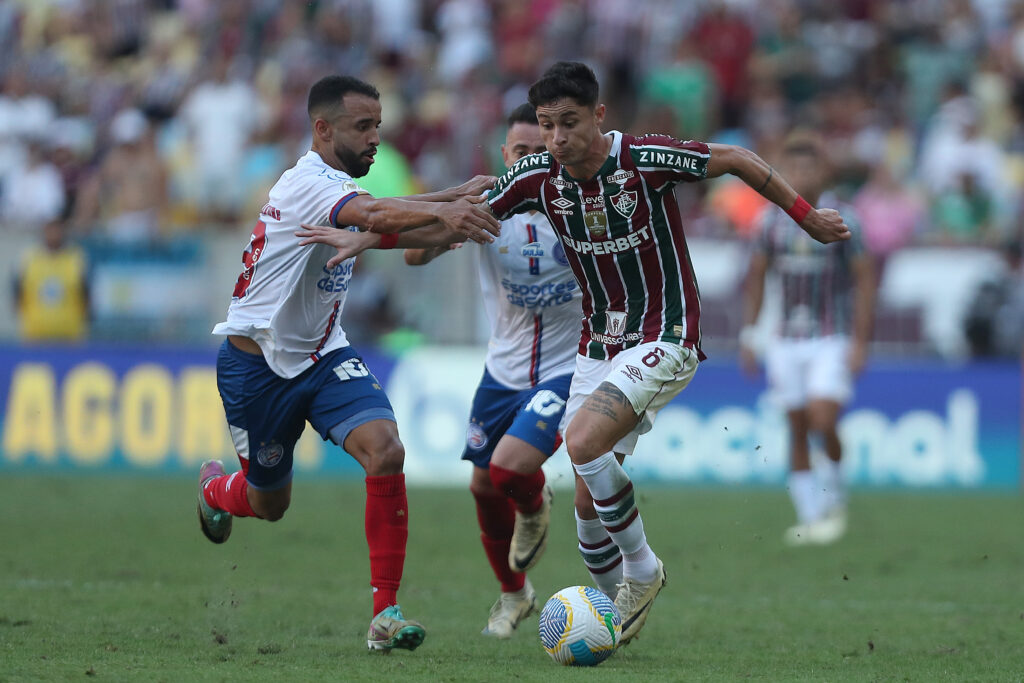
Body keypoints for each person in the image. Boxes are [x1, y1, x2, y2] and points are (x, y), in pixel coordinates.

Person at [482, 61, 852, 644]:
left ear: (599, 115)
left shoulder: (643, 159)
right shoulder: (540, 176)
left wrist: (804, 216)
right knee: (586, 506)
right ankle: (610, 622)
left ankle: (644, 570)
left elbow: (736, 158)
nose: (556, 138)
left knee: (581, 442)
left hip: (666, 333)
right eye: (547, 126)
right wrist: (375, 228)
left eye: (569, 123)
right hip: (598, 344)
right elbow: (468, 206)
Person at [195, 74, 500, 654]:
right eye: (363, 127)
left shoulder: (336, 186)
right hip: (257, 369)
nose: (375, 138)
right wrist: (450, 208)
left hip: (323, 354)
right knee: (268, 503)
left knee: (386, 450)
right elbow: (377, 216)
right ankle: (216, 490)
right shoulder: (309, 183)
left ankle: (385, 613)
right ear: (323, 129)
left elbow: (374, 220)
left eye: (378, 126)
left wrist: (452, 199)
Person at [405, 103, 583, 638]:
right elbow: (414, 257)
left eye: (541, 150)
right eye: (521, 150)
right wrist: (449, 221)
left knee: (508, 472)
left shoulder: (578, 204)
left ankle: (535, 505)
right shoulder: (490, 208)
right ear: (505, 155)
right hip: (502, 370)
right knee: (483, 485)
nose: (531, 159)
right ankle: (514, 595)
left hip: (568, 366)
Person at [739, 131, 875, 547]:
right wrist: (750, 334)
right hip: (784, 339)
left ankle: (834, 495)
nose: (801, 174)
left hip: (831, 336)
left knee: (823, 419)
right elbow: (757, 278)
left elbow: (865, 281)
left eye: (809, 166)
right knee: (797, 426)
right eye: (794, 167)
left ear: (823, 171)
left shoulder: (846, 218)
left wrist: (861, 342)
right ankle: (810, 516)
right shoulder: (769, 222)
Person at [12, 216, 89, 342]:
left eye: (57, 230)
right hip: (35, 335)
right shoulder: (29, 258)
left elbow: (86, 292)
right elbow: (17, 292)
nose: (54, 235)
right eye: (50, 230)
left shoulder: (76, 258)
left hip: (69, 336)